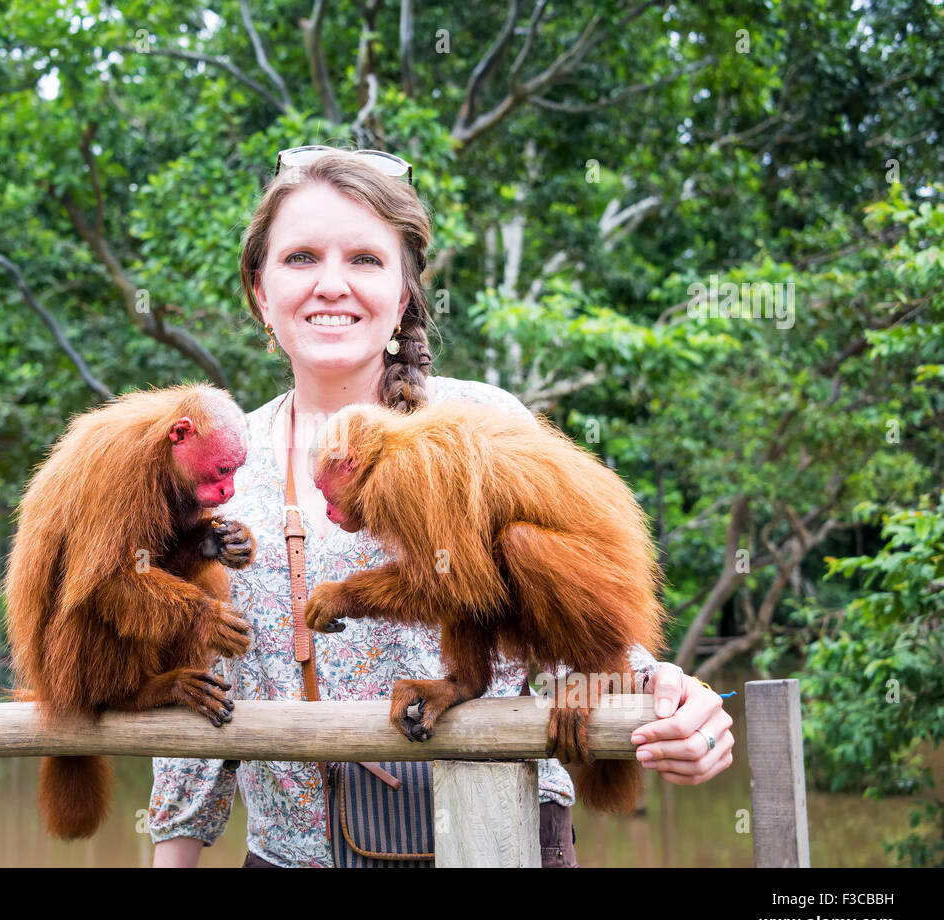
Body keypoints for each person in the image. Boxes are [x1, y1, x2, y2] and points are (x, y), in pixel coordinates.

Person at [150, 146, 734, 868]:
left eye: (365, 259)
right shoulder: (221, 460)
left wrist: (673, 698)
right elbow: (203, 686)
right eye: (301, 257)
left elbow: (568, 601)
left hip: (498, 841)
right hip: (295, 855)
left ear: (402, 296)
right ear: (260, 292)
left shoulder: (484, 417)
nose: (332, 284)